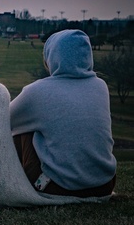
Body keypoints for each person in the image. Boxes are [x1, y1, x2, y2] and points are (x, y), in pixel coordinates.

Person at [10, 29, 116, 197]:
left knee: (23, 128)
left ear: (51, 57)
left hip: (57, 187)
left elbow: (5, 121)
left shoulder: (38, 91)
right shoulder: (100, 86)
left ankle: (15, 182)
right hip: (105, 185)